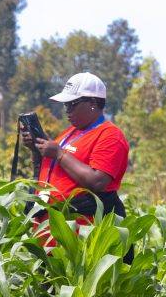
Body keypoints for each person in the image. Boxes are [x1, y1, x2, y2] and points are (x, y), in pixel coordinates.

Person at [21, 71, 130, 221]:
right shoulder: (69, 133)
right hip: (48, 228)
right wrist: (36, 149)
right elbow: (46, 171)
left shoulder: (110, 136)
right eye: (65, 104)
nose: (67, 110)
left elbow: (97, 181)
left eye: (72, 104)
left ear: (92, 103)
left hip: (79, 231)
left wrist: (59, 154)